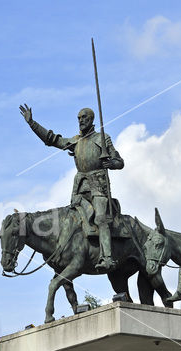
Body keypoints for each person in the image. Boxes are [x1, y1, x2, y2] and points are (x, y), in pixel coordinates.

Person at [19, 104, 124, 272]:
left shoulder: (102, 138)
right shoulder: (76, 141)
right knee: (67, 221)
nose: (81, 121)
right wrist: (32, 123)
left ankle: (107, 257)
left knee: (101, 218)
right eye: (79, 118)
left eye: (84, 118)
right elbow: (52, 139)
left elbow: (120, 162)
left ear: (92, 120)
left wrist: (111, 163)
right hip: (79, 190)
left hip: (98, 187)